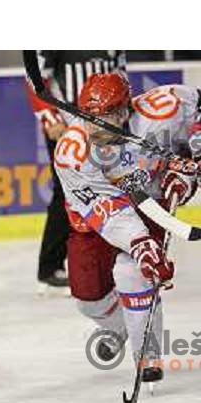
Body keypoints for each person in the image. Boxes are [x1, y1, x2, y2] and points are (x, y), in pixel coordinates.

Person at [55, 73, 200, 382]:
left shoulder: (164, 110)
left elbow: (198, 112)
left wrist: (190, 164)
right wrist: (139, 241)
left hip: (150, 202)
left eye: (105, 116)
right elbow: (108, 211)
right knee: (89, 300)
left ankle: (147, 354)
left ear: (124, 111)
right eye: (89, 116)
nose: (95, 126)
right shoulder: (72, 155)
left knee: (134, 273)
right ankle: (122, 329)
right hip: (95, 219)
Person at [26, 51, 128, 294]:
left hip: (105, 125)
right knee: (67, 193)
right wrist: (50, 120)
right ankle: (49, 268)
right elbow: (35, 80)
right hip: (68, 125)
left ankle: (111, 262)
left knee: (112, 187)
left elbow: (122, 76)